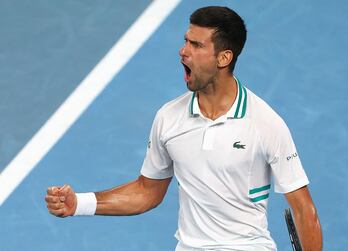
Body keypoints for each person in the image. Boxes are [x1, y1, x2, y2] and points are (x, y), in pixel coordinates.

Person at [45, 6, 322, 251]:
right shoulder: (169, 118)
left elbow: (303, 209)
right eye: (185, 41)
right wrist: (78, 204)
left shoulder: (265, 123)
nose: (183, 50)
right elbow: (147, 191)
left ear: (223, 58)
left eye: (197, 45)